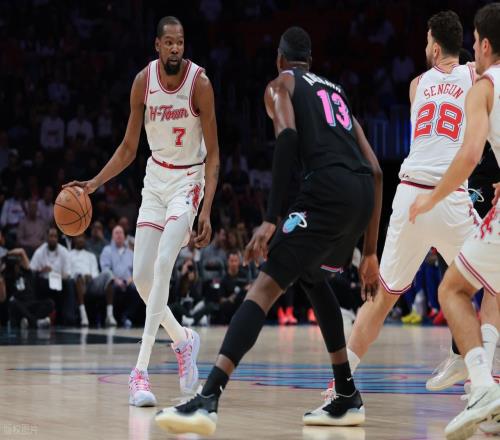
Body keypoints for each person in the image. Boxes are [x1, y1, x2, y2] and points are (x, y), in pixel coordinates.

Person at [155, 26, 382, 434]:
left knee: (263, 287)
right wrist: (369, 252)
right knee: (312, 277)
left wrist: (272, 217)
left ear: (280, 59)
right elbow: (378, 171)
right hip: (362, 195)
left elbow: (288, 135)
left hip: (326, 191)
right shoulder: (336, 93)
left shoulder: (280, 85)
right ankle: (347, 393)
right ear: (310, 60)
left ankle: (208, 399)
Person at [319, 10, 500, 398]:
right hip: (449, 196)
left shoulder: (417, 85)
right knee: (492, 282)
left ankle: (339, 386)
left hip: (409, 195)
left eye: (426, 41)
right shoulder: (476, 77)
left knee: (382, 298)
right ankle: (478, 373)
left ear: (434, 48)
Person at [64, 16, 220, 406]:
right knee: (142, 280)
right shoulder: (142, 82)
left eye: (180, 42)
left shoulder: (200, 84)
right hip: (155, 181)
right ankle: (183, 340)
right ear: (157, 45)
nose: (175, 48)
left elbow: (215, 154)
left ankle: (140, 372)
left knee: (165, 262)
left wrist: (207, 209)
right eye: (169, 42)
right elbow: (128, 148)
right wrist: (92, 184)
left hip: (188, 180)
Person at [410, 4, 500, 438]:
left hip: (462, 192)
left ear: (484, 45)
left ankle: (481, 385)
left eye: (476, 43)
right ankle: (487, 391)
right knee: (493, 286)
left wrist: (433, 197)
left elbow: (469, 156)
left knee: (452, 289)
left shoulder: (484, 85)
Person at [30, 227, 75, 325]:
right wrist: (41, 270)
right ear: (47, 237)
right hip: (44, 282)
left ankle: (69, 318)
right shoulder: (40, 251)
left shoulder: (64, 251)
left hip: (59, 281)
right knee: (33, 280)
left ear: (58, 238)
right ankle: (33, 314)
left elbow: (67, 274)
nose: (53, 239)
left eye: (55, 236)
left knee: (70, 282)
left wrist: (56, 274)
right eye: (51, 236)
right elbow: (31, 270)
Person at [69, 234, 115, 327]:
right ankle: (83, 316)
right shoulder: (69, 254)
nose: (80, 239)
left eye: (82, 237)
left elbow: (95, 273)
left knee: (108, 274)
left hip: (91, 283)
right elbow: (68, 272)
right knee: (78, 275)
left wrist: (90, 277)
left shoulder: (91, 255)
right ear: (73, 239)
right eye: (78, 237)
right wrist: (82, 276)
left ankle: (109, 315)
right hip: (77, 283)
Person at [99, 226, 141, 328]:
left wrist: (130, 280)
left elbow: (136, 270)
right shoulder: (107, 250)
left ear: (124, 236)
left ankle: (127, 317)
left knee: (137, 289)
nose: (119, 235)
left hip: (128, 282)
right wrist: (116, 280)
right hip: (113, 281)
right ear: (112, 236)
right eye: (116, 233)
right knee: (111, 287)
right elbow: (105, 269)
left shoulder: (131, 253)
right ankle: (111, 316)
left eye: (121, 233)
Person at [6, 248, 53, 329]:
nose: (17, 266)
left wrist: (8, 253)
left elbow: (22, 251)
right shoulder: (8, 278)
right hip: (20, 305)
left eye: (18, 264)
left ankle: (28, 321)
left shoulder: (26, 272)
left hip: (31, 303)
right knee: (13, 302)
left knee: (50, 303)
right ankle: (36, 323)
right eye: (14, 265)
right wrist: (6, 258)